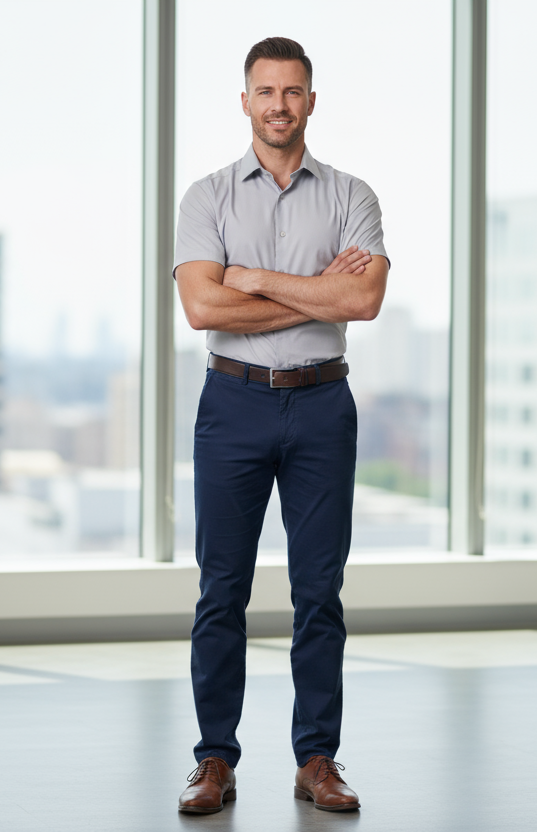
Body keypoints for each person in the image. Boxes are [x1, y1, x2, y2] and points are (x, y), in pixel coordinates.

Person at [171, 36, 389, 815]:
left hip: (323, 405)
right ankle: (214, 761)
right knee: (220, 591)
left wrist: (255, 279)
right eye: (265, 91)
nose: (278, 105)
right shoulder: (207, 197)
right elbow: (201, 307)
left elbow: (361, 302)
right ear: (245, 101)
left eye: (292, 91)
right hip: (231, 403)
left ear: (311, 101)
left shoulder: (352, 196)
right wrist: (312, 290)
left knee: (318, 592)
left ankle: (317, 759)